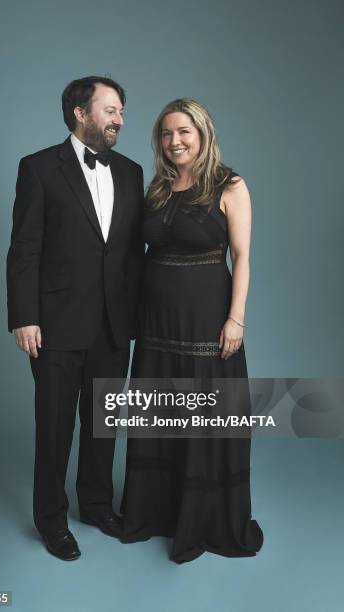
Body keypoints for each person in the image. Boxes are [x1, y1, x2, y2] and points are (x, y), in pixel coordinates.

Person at [6, 76, 145, 561]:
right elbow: (24, 248)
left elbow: (131, 253)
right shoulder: (39, 168)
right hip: (56, 325)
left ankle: (98, 506)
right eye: (110, 110)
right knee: (55, 425)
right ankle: (50, 519)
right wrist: (24, 316)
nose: (120, 120)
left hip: (113, 324)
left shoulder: (131, 171)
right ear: (80, 113)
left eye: (122, 112)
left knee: (103, 422)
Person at [120, 98, 264, 563]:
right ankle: (156, 514)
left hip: (206, 320)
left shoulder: (230, 184)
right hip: (156, 324)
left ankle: (202, 519)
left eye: (183, 132)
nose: (174, 141)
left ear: (202, 134)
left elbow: (241, 257)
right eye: (166, 133)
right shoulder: (159, 186)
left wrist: (235, 319)